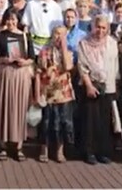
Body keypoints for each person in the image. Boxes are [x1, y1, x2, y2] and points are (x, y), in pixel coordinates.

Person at [0, 9, 34, 162]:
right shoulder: (1, 36)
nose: (10, 23)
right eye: (8, 20)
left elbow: (32, 57)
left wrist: (25, 62)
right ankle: (2, 145)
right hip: (4, 75)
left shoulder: (25, 36)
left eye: (13, 20)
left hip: (21, 76)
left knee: (19, 109)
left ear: (18, 20)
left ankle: (18, 147)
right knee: (3, 108)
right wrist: (2, 60)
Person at [78, 15, 120, 165]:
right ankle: (89, 152)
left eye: (103, 28)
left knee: (104, 121)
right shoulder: (84, 43)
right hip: (90, 85)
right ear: (92, 27)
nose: (100, 31)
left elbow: (115, 66)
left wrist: (112, 86)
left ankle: (103, 152)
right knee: (90, 121)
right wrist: (89, 86)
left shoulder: (112, 43)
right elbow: (82, 67)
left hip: (107, 86)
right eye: (98, 27)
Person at [36, 26, 75, 163]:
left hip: (64, 91)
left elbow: (68, 66)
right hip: (48, 91)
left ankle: (60, 150)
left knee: (63, 122)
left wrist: (63, 46)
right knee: (47, 122)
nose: (58, 37)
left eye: (62, 34)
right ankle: (44, 149)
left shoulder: (68, 51)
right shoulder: (45, 51)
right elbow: (40, 70)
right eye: (56, 34)